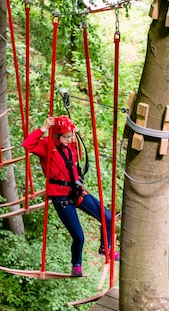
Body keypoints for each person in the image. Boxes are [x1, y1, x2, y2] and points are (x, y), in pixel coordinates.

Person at [22, 115, 119, 277]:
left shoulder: (70, 146)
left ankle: (106, 248)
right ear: (56, 136)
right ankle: (76, 265)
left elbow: (76, 143)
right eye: (65, 136)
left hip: (76, 191)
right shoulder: (47, 146)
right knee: (79, 237)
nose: (69, 139)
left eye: (70, 136)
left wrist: (74, 131)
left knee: (108, 217)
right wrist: (44, 128)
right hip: (61, 198)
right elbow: (27, 144)